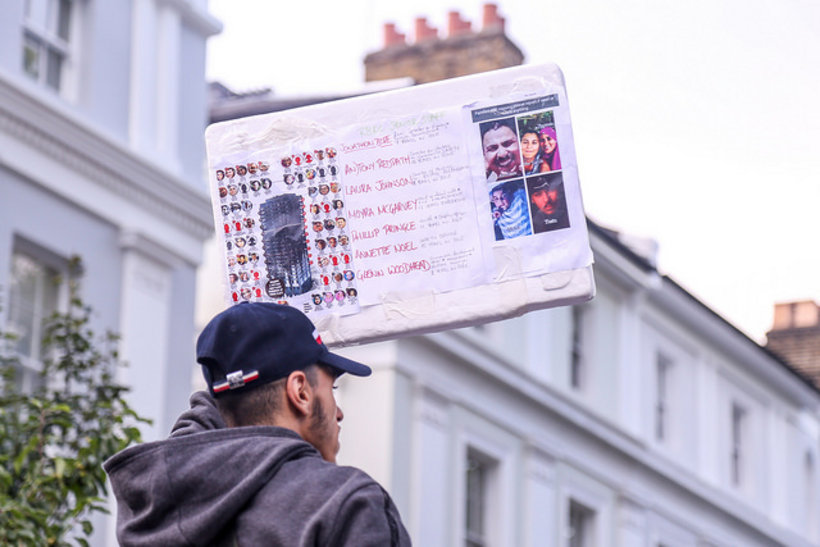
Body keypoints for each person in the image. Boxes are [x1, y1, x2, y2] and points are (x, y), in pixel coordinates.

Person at [104, 303, 412, 546]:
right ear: (300, 391)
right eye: (331, 390)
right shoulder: (345, 503)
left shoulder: (157, 505)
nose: (339, 412)